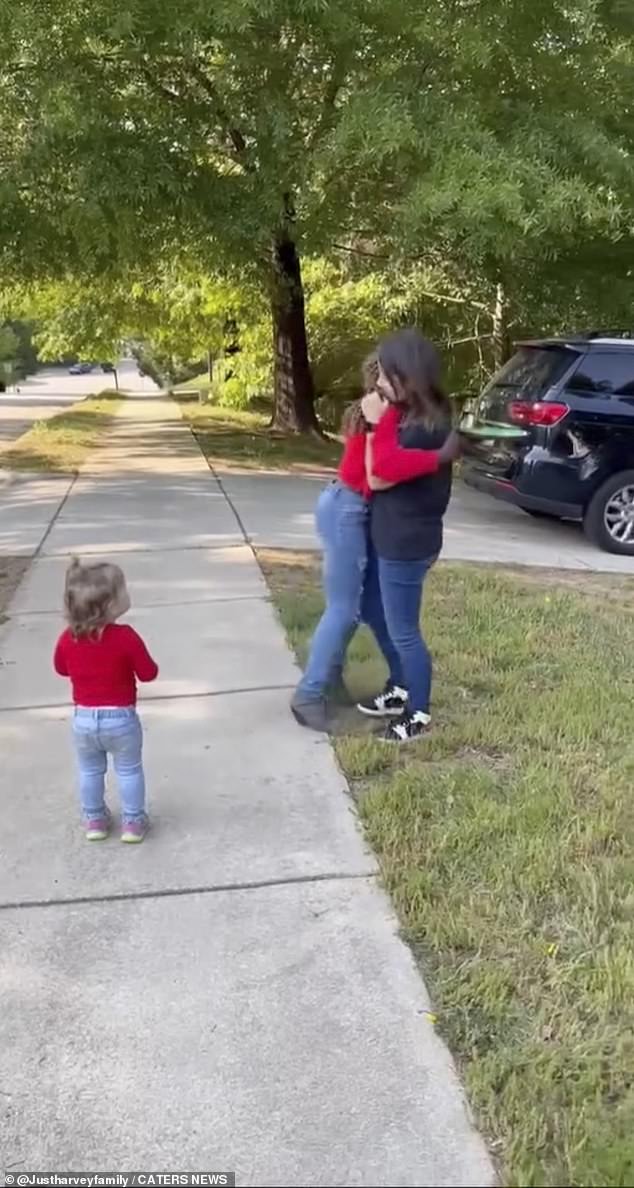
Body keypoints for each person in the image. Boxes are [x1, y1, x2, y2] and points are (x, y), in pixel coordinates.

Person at [291, 357, 443, 732]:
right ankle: (309, 696)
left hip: (349, 505)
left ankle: (331, 680)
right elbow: (378, 475)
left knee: (361, 606)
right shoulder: (376, 410)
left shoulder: (386, 409)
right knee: (344, 608)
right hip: (347, 507)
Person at [360, 328, 461, 742]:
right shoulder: (410, 415)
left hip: (407, 542)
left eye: (385, 376)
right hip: (393, 534)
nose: (378, 384)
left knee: (403, 629)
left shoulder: (426, 426)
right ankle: (401, 686)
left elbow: (379, 473)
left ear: (408, 376)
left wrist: (374, 424)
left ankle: (417, 713)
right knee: (372, 609)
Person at [53, 558, 159, 842]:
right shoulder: (125, 637)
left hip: (84, 719)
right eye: (122, 589)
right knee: (129, 770)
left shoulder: (67, 638)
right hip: (121, 720)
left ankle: (95, 820)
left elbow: (61, 668)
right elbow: (148, 673)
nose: (128, 593)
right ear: (109, 605)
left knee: (89, 770)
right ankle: (133, 822)